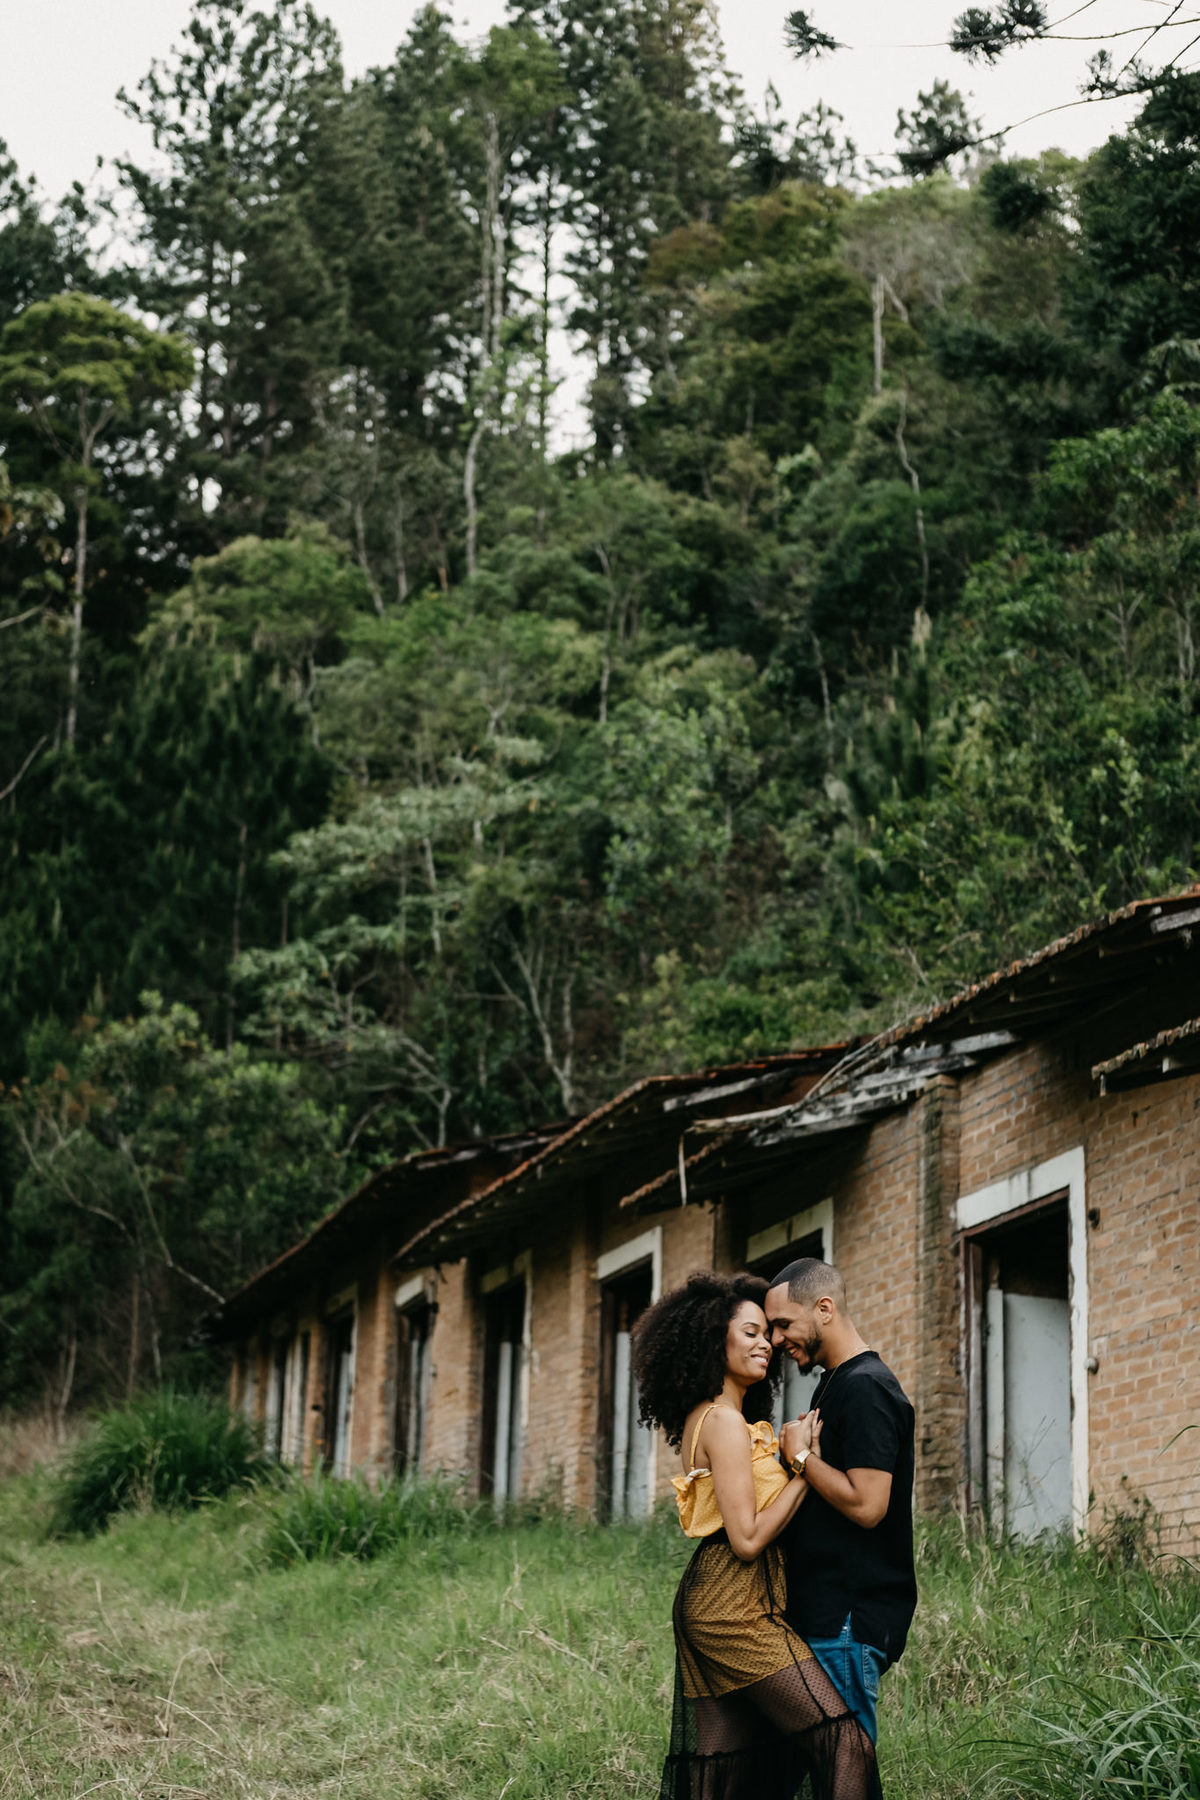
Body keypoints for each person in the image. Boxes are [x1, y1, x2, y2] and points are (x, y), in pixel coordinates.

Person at [632, 1270, 881, 1800]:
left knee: (718, 1774)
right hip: (731, 1606)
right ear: (711, 1340)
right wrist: (802, 1467)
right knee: (845, 1743)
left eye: (766, 1333)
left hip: (717, 1600)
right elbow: (746, 1539)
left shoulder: (717, 1418)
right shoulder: (721, 1422)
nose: (766, 1343)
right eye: (750, 1332)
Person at [765, 1258, 916, 1753]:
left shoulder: (866, 1386)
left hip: (848, 1620)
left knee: (843, 1773)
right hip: (827, 1617)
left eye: (783, 1324)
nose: (775, 1340)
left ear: (824, 1309)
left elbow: (869, 1504)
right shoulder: (834, 1383)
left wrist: (802, 1457)